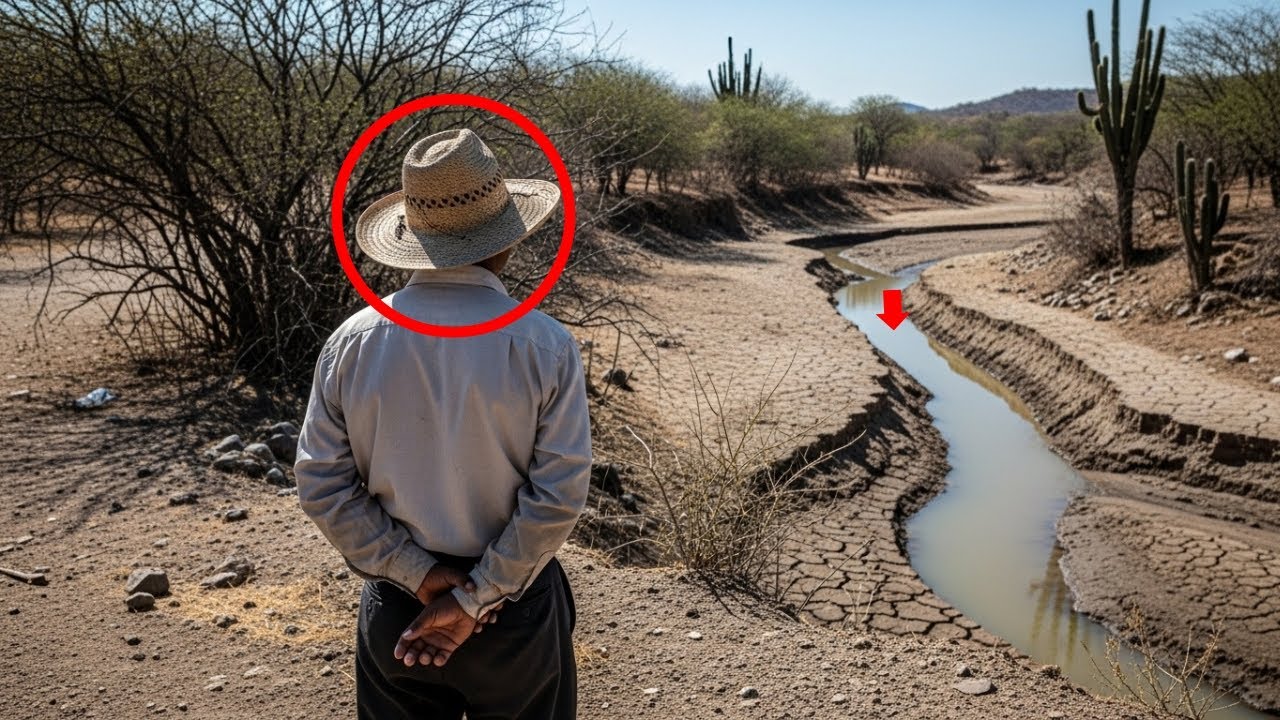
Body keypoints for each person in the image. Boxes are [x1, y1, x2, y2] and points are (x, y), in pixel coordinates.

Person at [295, 128, 591, 719]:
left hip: (399, 612)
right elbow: (557, 499)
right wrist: (474, 597)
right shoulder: (546, 345)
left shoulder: (350, 344)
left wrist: (421, 576)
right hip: (514, 618)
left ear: (415, 238)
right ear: (507, 238)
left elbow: (321, 487)